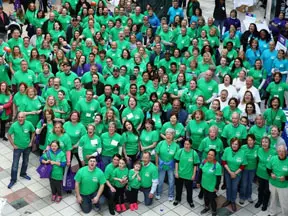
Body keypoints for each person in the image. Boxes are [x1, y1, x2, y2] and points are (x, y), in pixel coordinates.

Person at [7, 112, 35, 189]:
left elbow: (33, 132)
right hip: (18, 148)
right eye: (19, 117)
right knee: (15, 165)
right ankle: (13, 180)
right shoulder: (14, 125)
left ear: (25, 117)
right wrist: (13, 145)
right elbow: (8, 135)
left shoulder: (29, 124)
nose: (20, 119)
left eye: (22, 117)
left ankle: (23, 173)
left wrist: (31, 142)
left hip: (27, 147)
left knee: (25, 161)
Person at [222, 138, 247, 212]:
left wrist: (235, 173)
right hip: (228, 172)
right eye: (233, 144)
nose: (234, 145)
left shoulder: (242, 152)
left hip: (237, 173)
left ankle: (233, 201)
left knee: (234, 188)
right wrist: (230, 172)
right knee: (228, 187)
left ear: (239, 145)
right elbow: (224, 161)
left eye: (236, 144)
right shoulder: (227, 150)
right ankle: (228, 199)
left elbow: (243, 165)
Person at [174, 139, 199, 207]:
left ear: (191, 145)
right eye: (185, 144)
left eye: (188, 144)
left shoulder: (194, 153)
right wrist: (176, 172)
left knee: (189, 189)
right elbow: (176, 162)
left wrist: (194, 174)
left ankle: (190, 201)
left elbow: (195, 165)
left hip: (189, 175)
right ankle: (177, 199)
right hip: (180, 174)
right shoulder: (180, 151)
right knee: (178, 188)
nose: (186, 146)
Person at [155, 128, 179, 201]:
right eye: (167, 134)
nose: (168, 136)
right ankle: (158, 193)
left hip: (171, 166)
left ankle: (171, 195)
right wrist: (156, 164)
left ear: (173, 136)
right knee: (160, 180)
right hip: (161, 165)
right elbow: (156, 154)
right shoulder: (161, 143)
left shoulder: (176, 146)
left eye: (170, 134)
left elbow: (177, 159)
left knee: (171, 181)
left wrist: (176, 169)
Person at [197, 149, 222, 216]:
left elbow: (218, 178)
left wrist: (216, 187)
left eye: (212, 155)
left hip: (211, 186)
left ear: (214, 157)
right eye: (209, 154)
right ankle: (207, 207)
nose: (210, 156)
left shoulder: (217, 166)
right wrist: (198, 182)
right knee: (205, 197)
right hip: (204, 184)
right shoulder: (204, 161)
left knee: (212, 199)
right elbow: (200, 172)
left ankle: (214, 211)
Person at [255, 136, 276, 211]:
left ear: (269, 143)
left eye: (266, 142)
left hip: (269, 175)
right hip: (260, 173)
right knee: (260, 189)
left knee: (267, 191)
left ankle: (265, 204)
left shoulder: (273, 152)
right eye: (263, 142)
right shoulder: (259, 150)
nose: (264, 143)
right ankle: (259, 201)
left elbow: (276, 163)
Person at [266, 144, 288, 216]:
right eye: (279, 151)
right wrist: (271, 174)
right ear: (277, 152)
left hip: (284, 186)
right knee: (272, 200)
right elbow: (268, 169)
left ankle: (285, 214)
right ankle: (272, 213)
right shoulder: (273, 158)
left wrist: (285, 178)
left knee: (284, 202)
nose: (281, 153)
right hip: (273, 183)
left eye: (283, 151)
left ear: (286, 152)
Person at [239, 134, 259, 205]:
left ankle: (249, 196)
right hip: (244, 169)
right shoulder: (243, 147)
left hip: (253, 169)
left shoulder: (257, 148)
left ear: (254, 141)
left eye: (251, 140)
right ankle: (242, 196)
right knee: (244, 183)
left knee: (250, 183)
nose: (250, 142)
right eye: (248, 140)